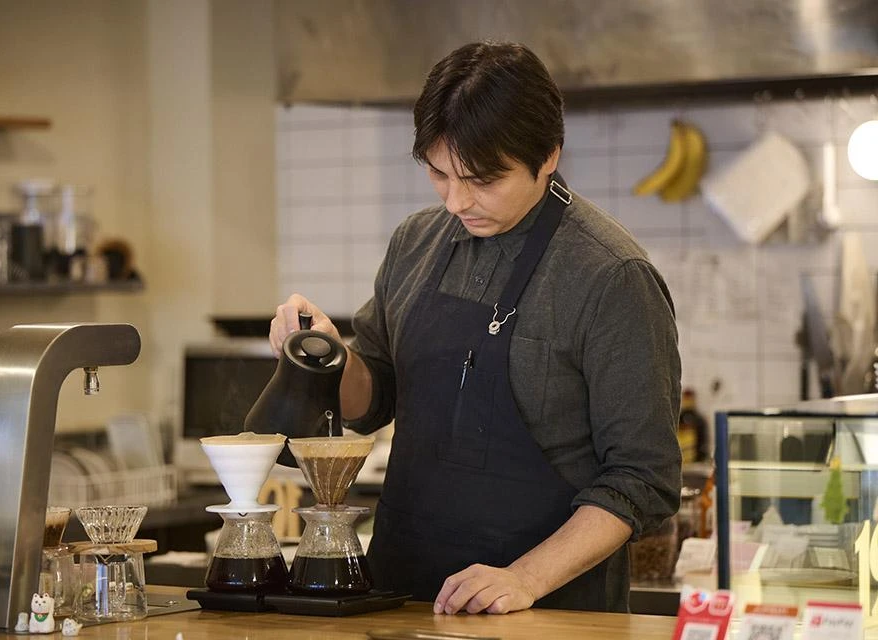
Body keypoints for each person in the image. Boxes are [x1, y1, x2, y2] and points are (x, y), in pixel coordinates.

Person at [269, 41, 681, 615]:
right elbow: (374, 398)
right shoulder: (416, 242)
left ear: (549, 156)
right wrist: (328, 356)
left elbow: (643, 477)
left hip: (549, 612)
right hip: (401, 599)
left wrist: (525, 579)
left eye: (484, 179)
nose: (458, 200)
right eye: (440, 174)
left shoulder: (611, 276)